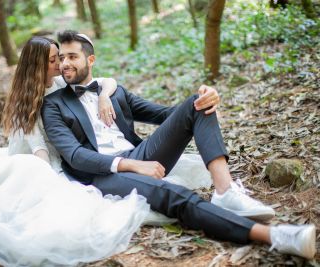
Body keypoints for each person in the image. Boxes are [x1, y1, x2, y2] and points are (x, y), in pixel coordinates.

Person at [41, 30, 316, 259]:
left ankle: (225, 190)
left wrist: (204, 98)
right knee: (171, 194)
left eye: (72, 57)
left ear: (90, 59)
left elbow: (165, 114)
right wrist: (132, 165)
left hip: (140, 153)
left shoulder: (115, 91)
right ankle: (276, 236)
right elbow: (75, 156)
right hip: (103, 174)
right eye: (61, 58)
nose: (64, 63)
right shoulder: (53, 105)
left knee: (198, 105)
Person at [0, 36, 152, 266]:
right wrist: (52, 182)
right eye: (55, 59)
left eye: (62, 57)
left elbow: (107, 81)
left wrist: (103, 97)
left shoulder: (58, 83)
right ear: (38, 65)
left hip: (64, 150)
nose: (61, 64)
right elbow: (39, 149)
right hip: (33, 161)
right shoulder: (25, 101)